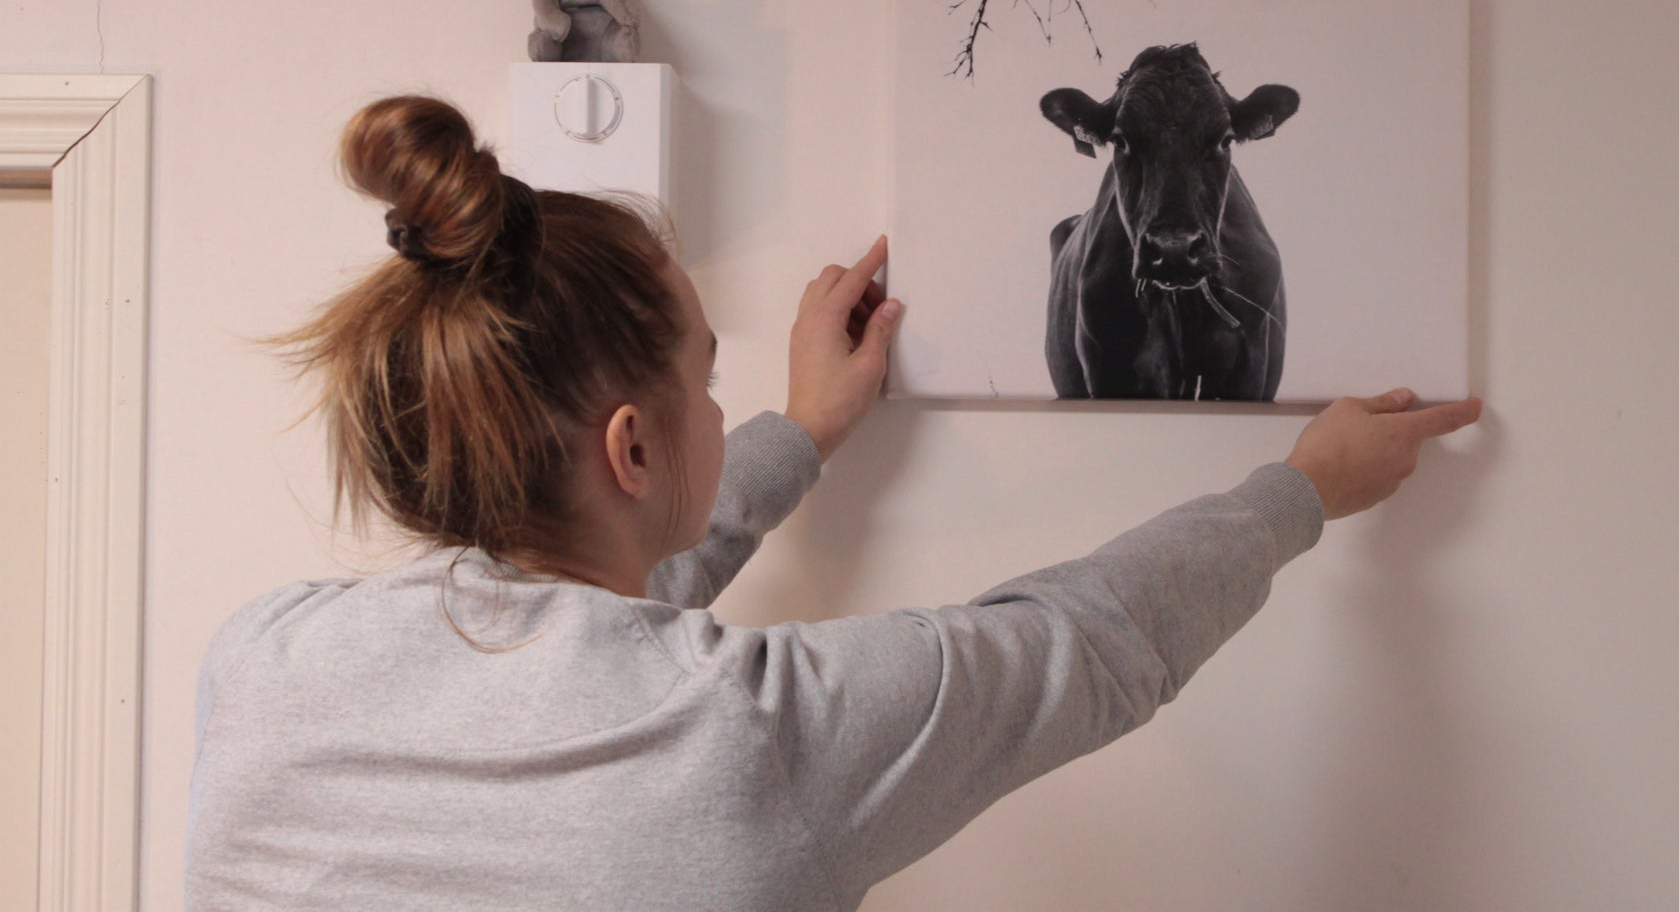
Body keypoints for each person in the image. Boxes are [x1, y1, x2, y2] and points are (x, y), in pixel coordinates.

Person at [184, 94, 1484, 911]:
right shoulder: (755, 739)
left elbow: (587, 629)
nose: (717, 410)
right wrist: (1302, 489)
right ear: (631, 449)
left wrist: (802, 432)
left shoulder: (261, 660)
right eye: (708, 382)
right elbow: (1090, 641)